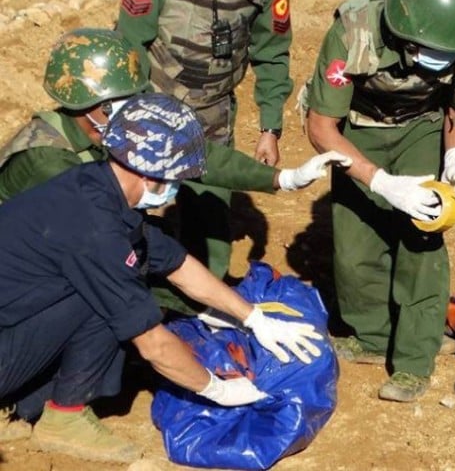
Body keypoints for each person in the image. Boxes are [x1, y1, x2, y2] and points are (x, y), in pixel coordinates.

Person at [0, 94, 323, 463]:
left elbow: (177, 264)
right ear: (150, 172)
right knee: (114, 300)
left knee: (118, 279)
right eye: (176, 178)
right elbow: (153, 344)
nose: (177, 187)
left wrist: (253, 317)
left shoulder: (95, 185)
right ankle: (63, 416)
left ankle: (33, 403)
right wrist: (219, 390)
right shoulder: (95, 232)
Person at [305, 0, 455, 403]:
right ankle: (372, 336)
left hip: (422, 129)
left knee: (421, 240)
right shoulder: (353, 32)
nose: (437, 62)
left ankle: (414, 359)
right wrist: (381, 183)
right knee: (355, 247)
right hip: (358, 130)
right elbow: (321, 128)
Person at [115, 0, 293, 294]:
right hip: (151, 106)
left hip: (212, 114)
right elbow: (131, 40)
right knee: (129, 213)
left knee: (210, 213)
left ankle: (203, 303)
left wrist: (270, 128)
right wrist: (130, 111)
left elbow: (272, 54)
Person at [0, 28, 342, 206]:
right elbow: (101, 233)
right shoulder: (47, 161)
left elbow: (194, 153)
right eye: (123, 99)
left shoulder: (109, 129)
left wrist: (281, 179)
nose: (134, 106)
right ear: (95, 104)